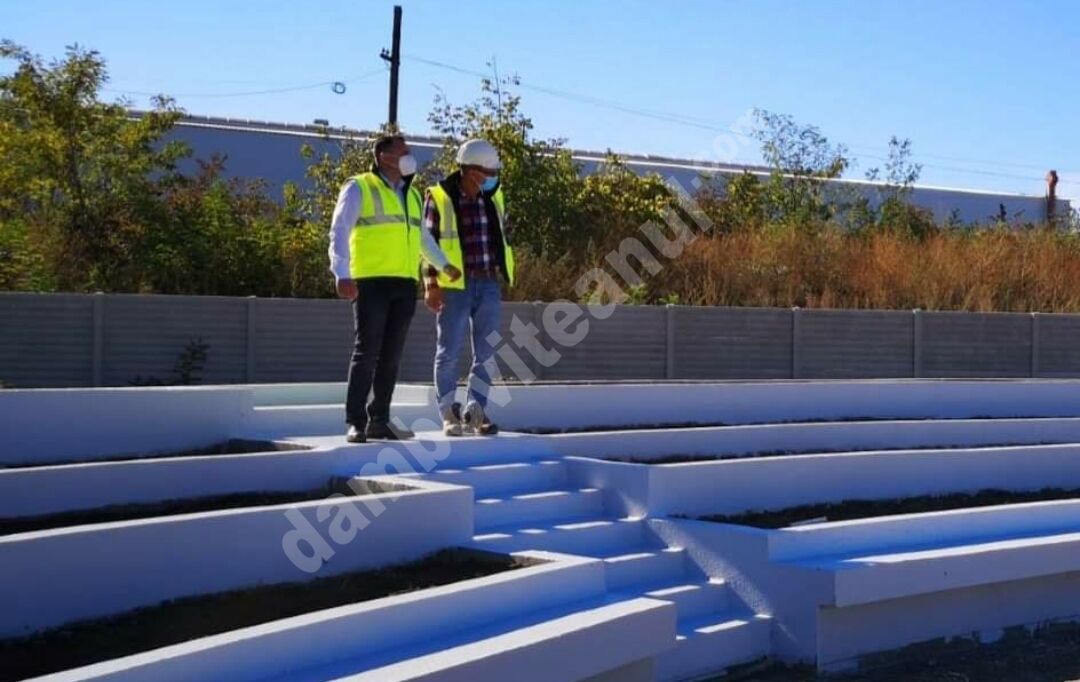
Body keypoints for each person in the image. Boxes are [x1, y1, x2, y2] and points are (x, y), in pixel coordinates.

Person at [328, 134, 461, 443]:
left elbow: (423, 239)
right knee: (367, 351)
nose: (410, 156)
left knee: (391, 355)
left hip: (404, 282)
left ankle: (380, 419)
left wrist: (443, 264)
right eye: (404, 152)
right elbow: (339, 229)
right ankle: (355, 421)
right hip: (370, 281)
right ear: (384, 156)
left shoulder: (413, 195)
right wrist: (341, 273)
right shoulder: (359, 186)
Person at [422, 139, 515, 437]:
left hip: (488, 282)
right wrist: (431, 285)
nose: (492, 176)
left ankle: (476, 412)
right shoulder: (439, 197)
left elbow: (501, 239)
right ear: (471, 170)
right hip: (454, 286)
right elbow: (427, 244)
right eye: (488, 171)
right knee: (448, 351)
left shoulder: (494, 199)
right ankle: (448, 413)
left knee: (486, 353)